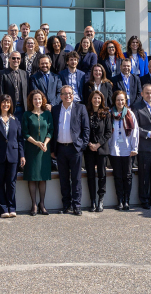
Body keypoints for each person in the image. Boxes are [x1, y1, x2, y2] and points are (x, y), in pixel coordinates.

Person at [51, 85, 90, 215]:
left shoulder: (81, 108)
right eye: (65, 94)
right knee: (63, 178)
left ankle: (77, 206)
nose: (68, 96)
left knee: (76, 178)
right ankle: (66, 205)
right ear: (61, 96)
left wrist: (82, 146)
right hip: (61, 148)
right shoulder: (55, 110)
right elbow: (53, 130)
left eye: (70, 93)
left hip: (75, 149)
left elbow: (86, 129)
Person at [0, 95, 25, 218]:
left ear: (11, 105)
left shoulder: (15, 120)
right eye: (3, 102)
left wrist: (22, 155)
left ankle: (12, 207)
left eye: (8, 102)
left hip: (13, 155)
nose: (6, 105)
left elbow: (20, 140)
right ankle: (3, 209)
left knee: (11, 183)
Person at [22, 90, 52, 216]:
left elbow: (51, 131)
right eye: (35, 99)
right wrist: (36, 143)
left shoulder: (47, 114)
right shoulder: (27, 115)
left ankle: (42, 204)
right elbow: (25, 133)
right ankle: (34, 204)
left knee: (42, 177)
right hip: (31, 149)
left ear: (43, 100)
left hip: (44, 150)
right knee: (32, 177)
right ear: (31, 101)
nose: (37, 101)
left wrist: (44, 143)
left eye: (39, 99)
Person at [84, 90, 112, 212]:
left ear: (102, 100)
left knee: (102, 175)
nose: (97, 100)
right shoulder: (86, 112)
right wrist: (90, 144)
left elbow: (108, 132)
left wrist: (98, 144)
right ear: (91, 99)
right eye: (94, 98)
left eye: (99, 98)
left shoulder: (106, 113)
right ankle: (92, 201)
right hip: (89, 149)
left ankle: (101, 200)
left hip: (102, 149)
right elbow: (83, 130)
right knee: (90, 176)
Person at [0, 51, 29, 116]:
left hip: (23, 108)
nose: (16, 60)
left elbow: (27, 91)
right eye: (13, 58)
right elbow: (1, 91)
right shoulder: (2, 73)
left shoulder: (25, 74)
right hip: (9, 107)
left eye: (18, 58)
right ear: (9, 59)